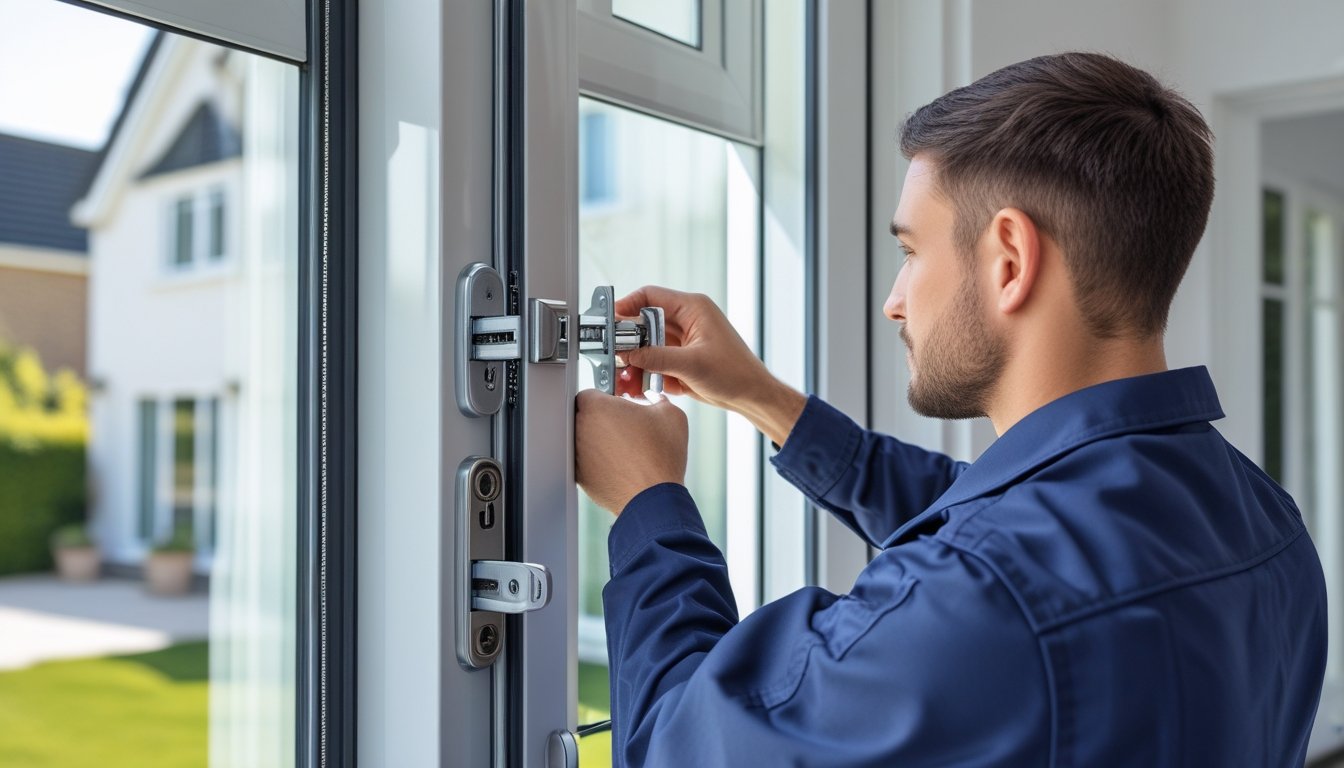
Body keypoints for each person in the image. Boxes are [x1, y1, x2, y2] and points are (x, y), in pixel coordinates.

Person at [574, 52, 1326, 767]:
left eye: (910, 252)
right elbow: (997, 519)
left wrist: (649, 504)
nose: (893, 303)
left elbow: (681, 747)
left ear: (1009, 260)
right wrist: (766, 401)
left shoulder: (988, 596)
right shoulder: (1262, 519)